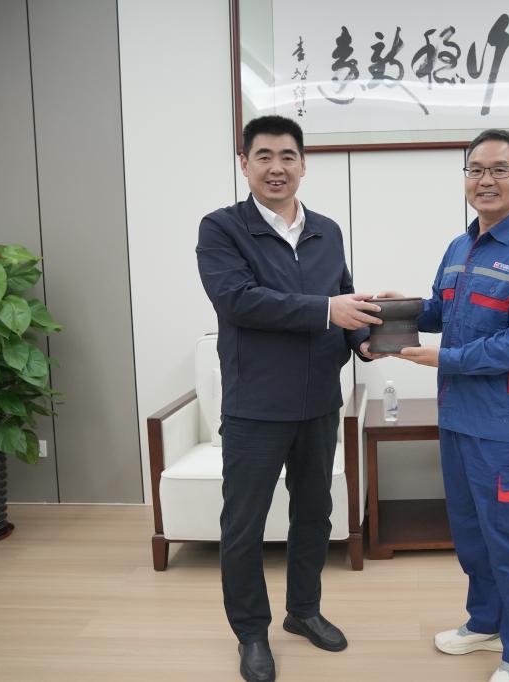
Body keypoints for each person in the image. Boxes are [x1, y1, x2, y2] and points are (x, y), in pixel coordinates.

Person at [195, 115, 382, 682]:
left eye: (287, 156)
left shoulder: (327, 230)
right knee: (244, 525)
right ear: (244, 163)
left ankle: (303, 610)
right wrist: (328, 311)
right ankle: (252, 634)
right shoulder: (222, 228)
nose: (276, 168)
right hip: (255, 405)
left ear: (303, 164)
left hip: (320, 401)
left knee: (315, 514)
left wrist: (365, 340)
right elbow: (239, 300)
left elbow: (344, 296)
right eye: (264, 156)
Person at [396, 129, 509, 682]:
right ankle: (486, 622)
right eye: (476, 169)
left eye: (499, 169)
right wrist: (395, 310)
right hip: (457, 420)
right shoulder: (459, 247)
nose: (485, 180)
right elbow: (438, 311)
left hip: (505, 429)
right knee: (471, 535)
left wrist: (442, 359)